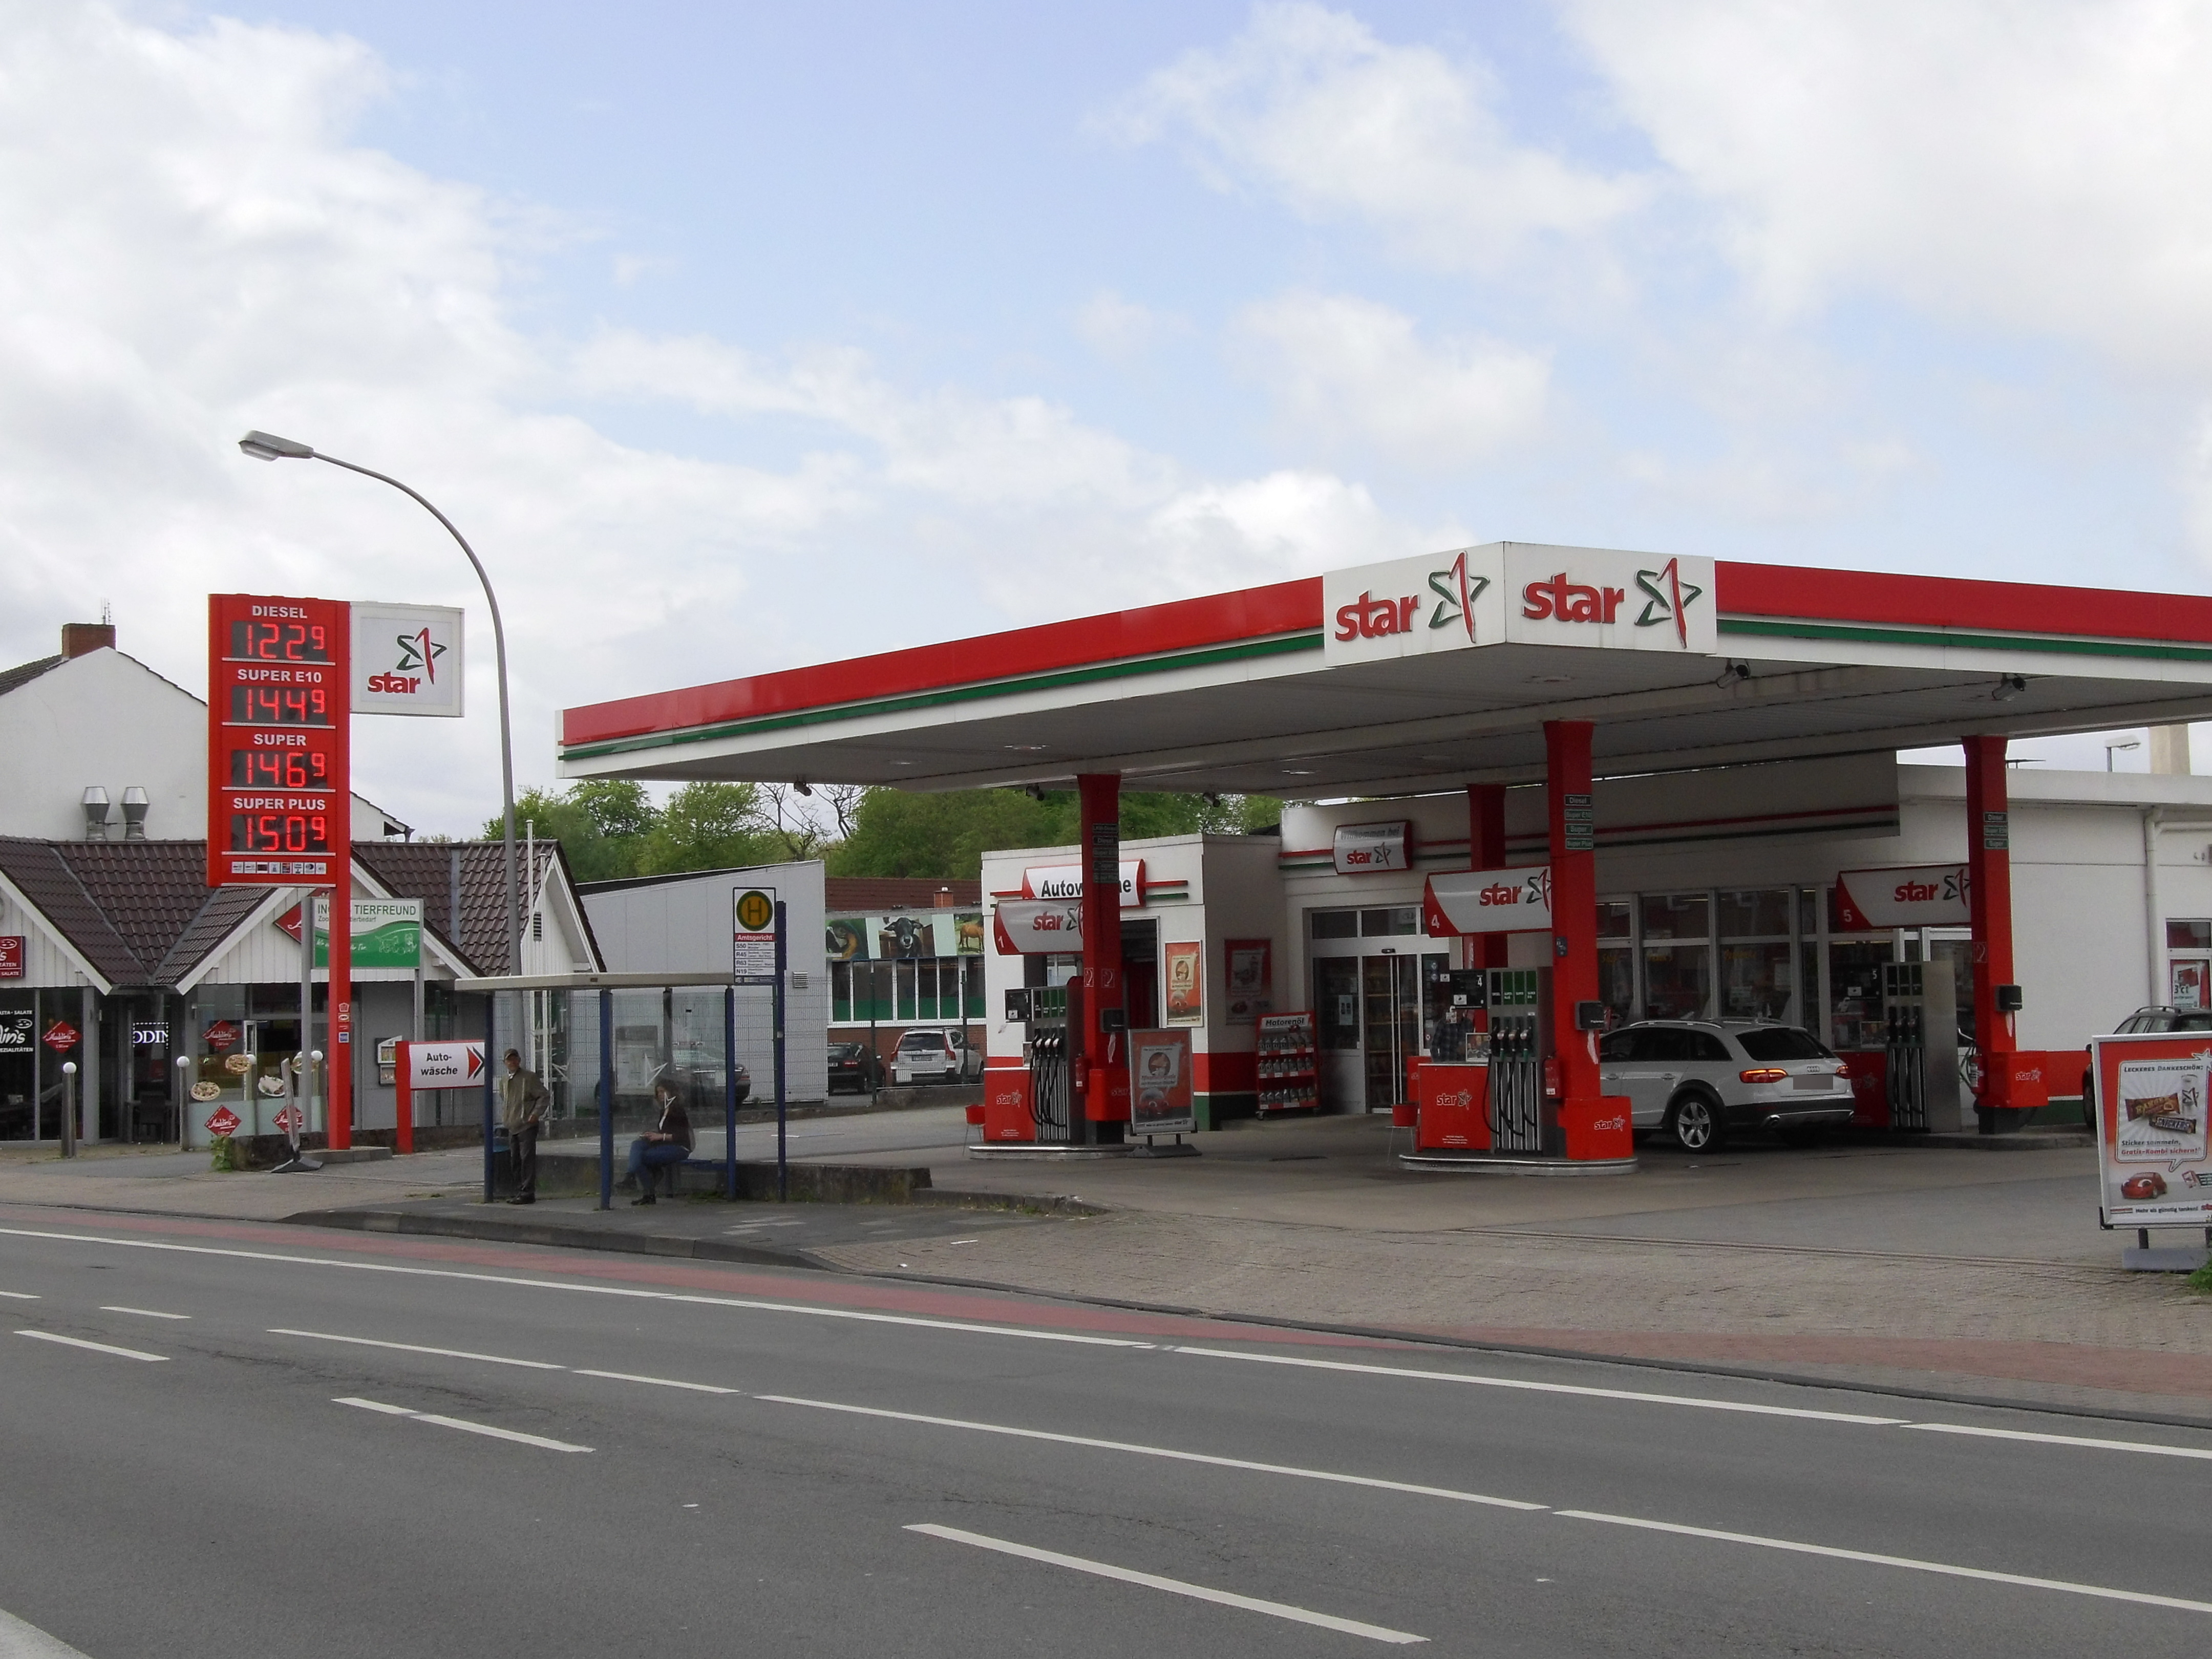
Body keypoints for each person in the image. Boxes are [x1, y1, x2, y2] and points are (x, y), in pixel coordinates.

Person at [626, 1075, 694, 1205]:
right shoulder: (664, 1110)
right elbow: (665, 1131)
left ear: (671, 1092)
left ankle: (646, 1191)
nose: (660, 1095)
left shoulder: (678, 1110)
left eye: (663, 1091)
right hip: (666, 1145)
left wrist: (661, 1137)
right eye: (658, 1093)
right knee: (638, 1145)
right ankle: (631, 1177)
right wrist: (652, 1135)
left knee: (640, 1158)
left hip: (680, 1148)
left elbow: (682, 1136)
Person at [501, 1047, 549, 1204]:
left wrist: (535, 1114)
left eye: (515, 1059)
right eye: (509, 1060)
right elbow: (505, 1099)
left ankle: (528, 1192)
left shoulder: (529, 1078)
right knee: (515, 1160)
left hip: (527, 1126)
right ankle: (519, 1191)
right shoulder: (504, 1081)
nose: (512, 1062)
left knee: (527, 1159)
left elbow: (544, 1095)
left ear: (519, 1060)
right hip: (512, 1126)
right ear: (505, 1063)